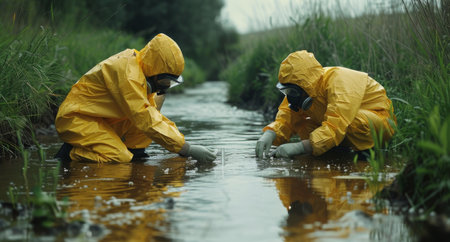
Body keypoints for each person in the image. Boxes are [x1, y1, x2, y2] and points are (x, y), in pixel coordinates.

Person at [54, 33, 216, 163]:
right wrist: (186, 148)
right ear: (155, 71)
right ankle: (71, 153)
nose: (165, 87)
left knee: (154, 105)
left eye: (171, 83)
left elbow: (153, 117)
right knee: (119, 157)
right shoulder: (129, 75)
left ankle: (135, 151)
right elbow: (146, 119)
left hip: (97, 117)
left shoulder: (142, 70)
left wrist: (182, 143)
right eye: (165, 81)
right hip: (76, 119)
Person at [256, 50, 396, 159]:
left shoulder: (339, 81)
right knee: (304, 124)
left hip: (379, 121)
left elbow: (337, 124)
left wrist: (301, 147)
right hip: (343, 124)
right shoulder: (302, 89)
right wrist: (270, 133)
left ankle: (366, 153)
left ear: (306, 85)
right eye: (285, 91)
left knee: (352, 122)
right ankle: (332, 150)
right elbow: (286, 118)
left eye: (291, 91)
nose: (290, 96)